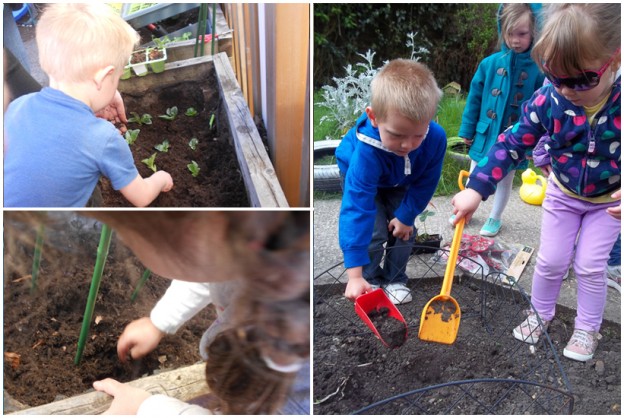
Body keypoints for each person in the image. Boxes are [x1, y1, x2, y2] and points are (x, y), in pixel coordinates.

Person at [451, 3, 621, 362]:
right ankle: (540, 313)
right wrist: (476, 189)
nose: (568, 90)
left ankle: (587, 328)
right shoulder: (551, 98)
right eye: (556, 77)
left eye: (582, 79)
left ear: (615, 59)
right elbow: (513, 142)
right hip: (562, 193)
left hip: (609, 202)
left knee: (590, 266)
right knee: (550, 260)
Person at [74, 211, 310, 414]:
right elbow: (204, 272)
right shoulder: (251, 253)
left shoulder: (297, 384)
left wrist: (145, 408)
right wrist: (158, 322)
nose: (125, 240)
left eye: (129, 234)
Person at [3, 3, 173, 207]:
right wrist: (161, 177)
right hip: (60, 233)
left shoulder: (16, 107)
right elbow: (141, 197)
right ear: (104, 76)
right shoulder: (104, 138)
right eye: (118, 76)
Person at [336, 59, 446, 305]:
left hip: (400, 178)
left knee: (405, 229)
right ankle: (369, 278)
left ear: (430, 119)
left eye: (418, 135)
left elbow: (426, 182)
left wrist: (406, 215)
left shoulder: (435, 139)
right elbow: (356, 207)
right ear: (373, 117)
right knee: (374, 230)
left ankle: (395, 279)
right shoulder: (366, 151)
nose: (407, 144)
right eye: (397, 135)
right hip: (364, 178)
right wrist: (353, 274)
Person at [454, 3, 544, 237]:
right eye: (510, 34)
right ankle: (467, 209)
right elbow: (474, 99)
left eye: (522, 34)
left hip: (515, 140)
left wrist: (537, 145)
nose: (516, 40)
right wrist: (467, 128)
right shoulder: (490, 64)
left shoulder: (538, 69)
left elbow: (541, 110)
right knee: (475, 172)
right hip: (484, 135)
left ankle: (495, 217)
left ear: (534, 31)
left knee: (505, 180)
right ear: (501, 31)